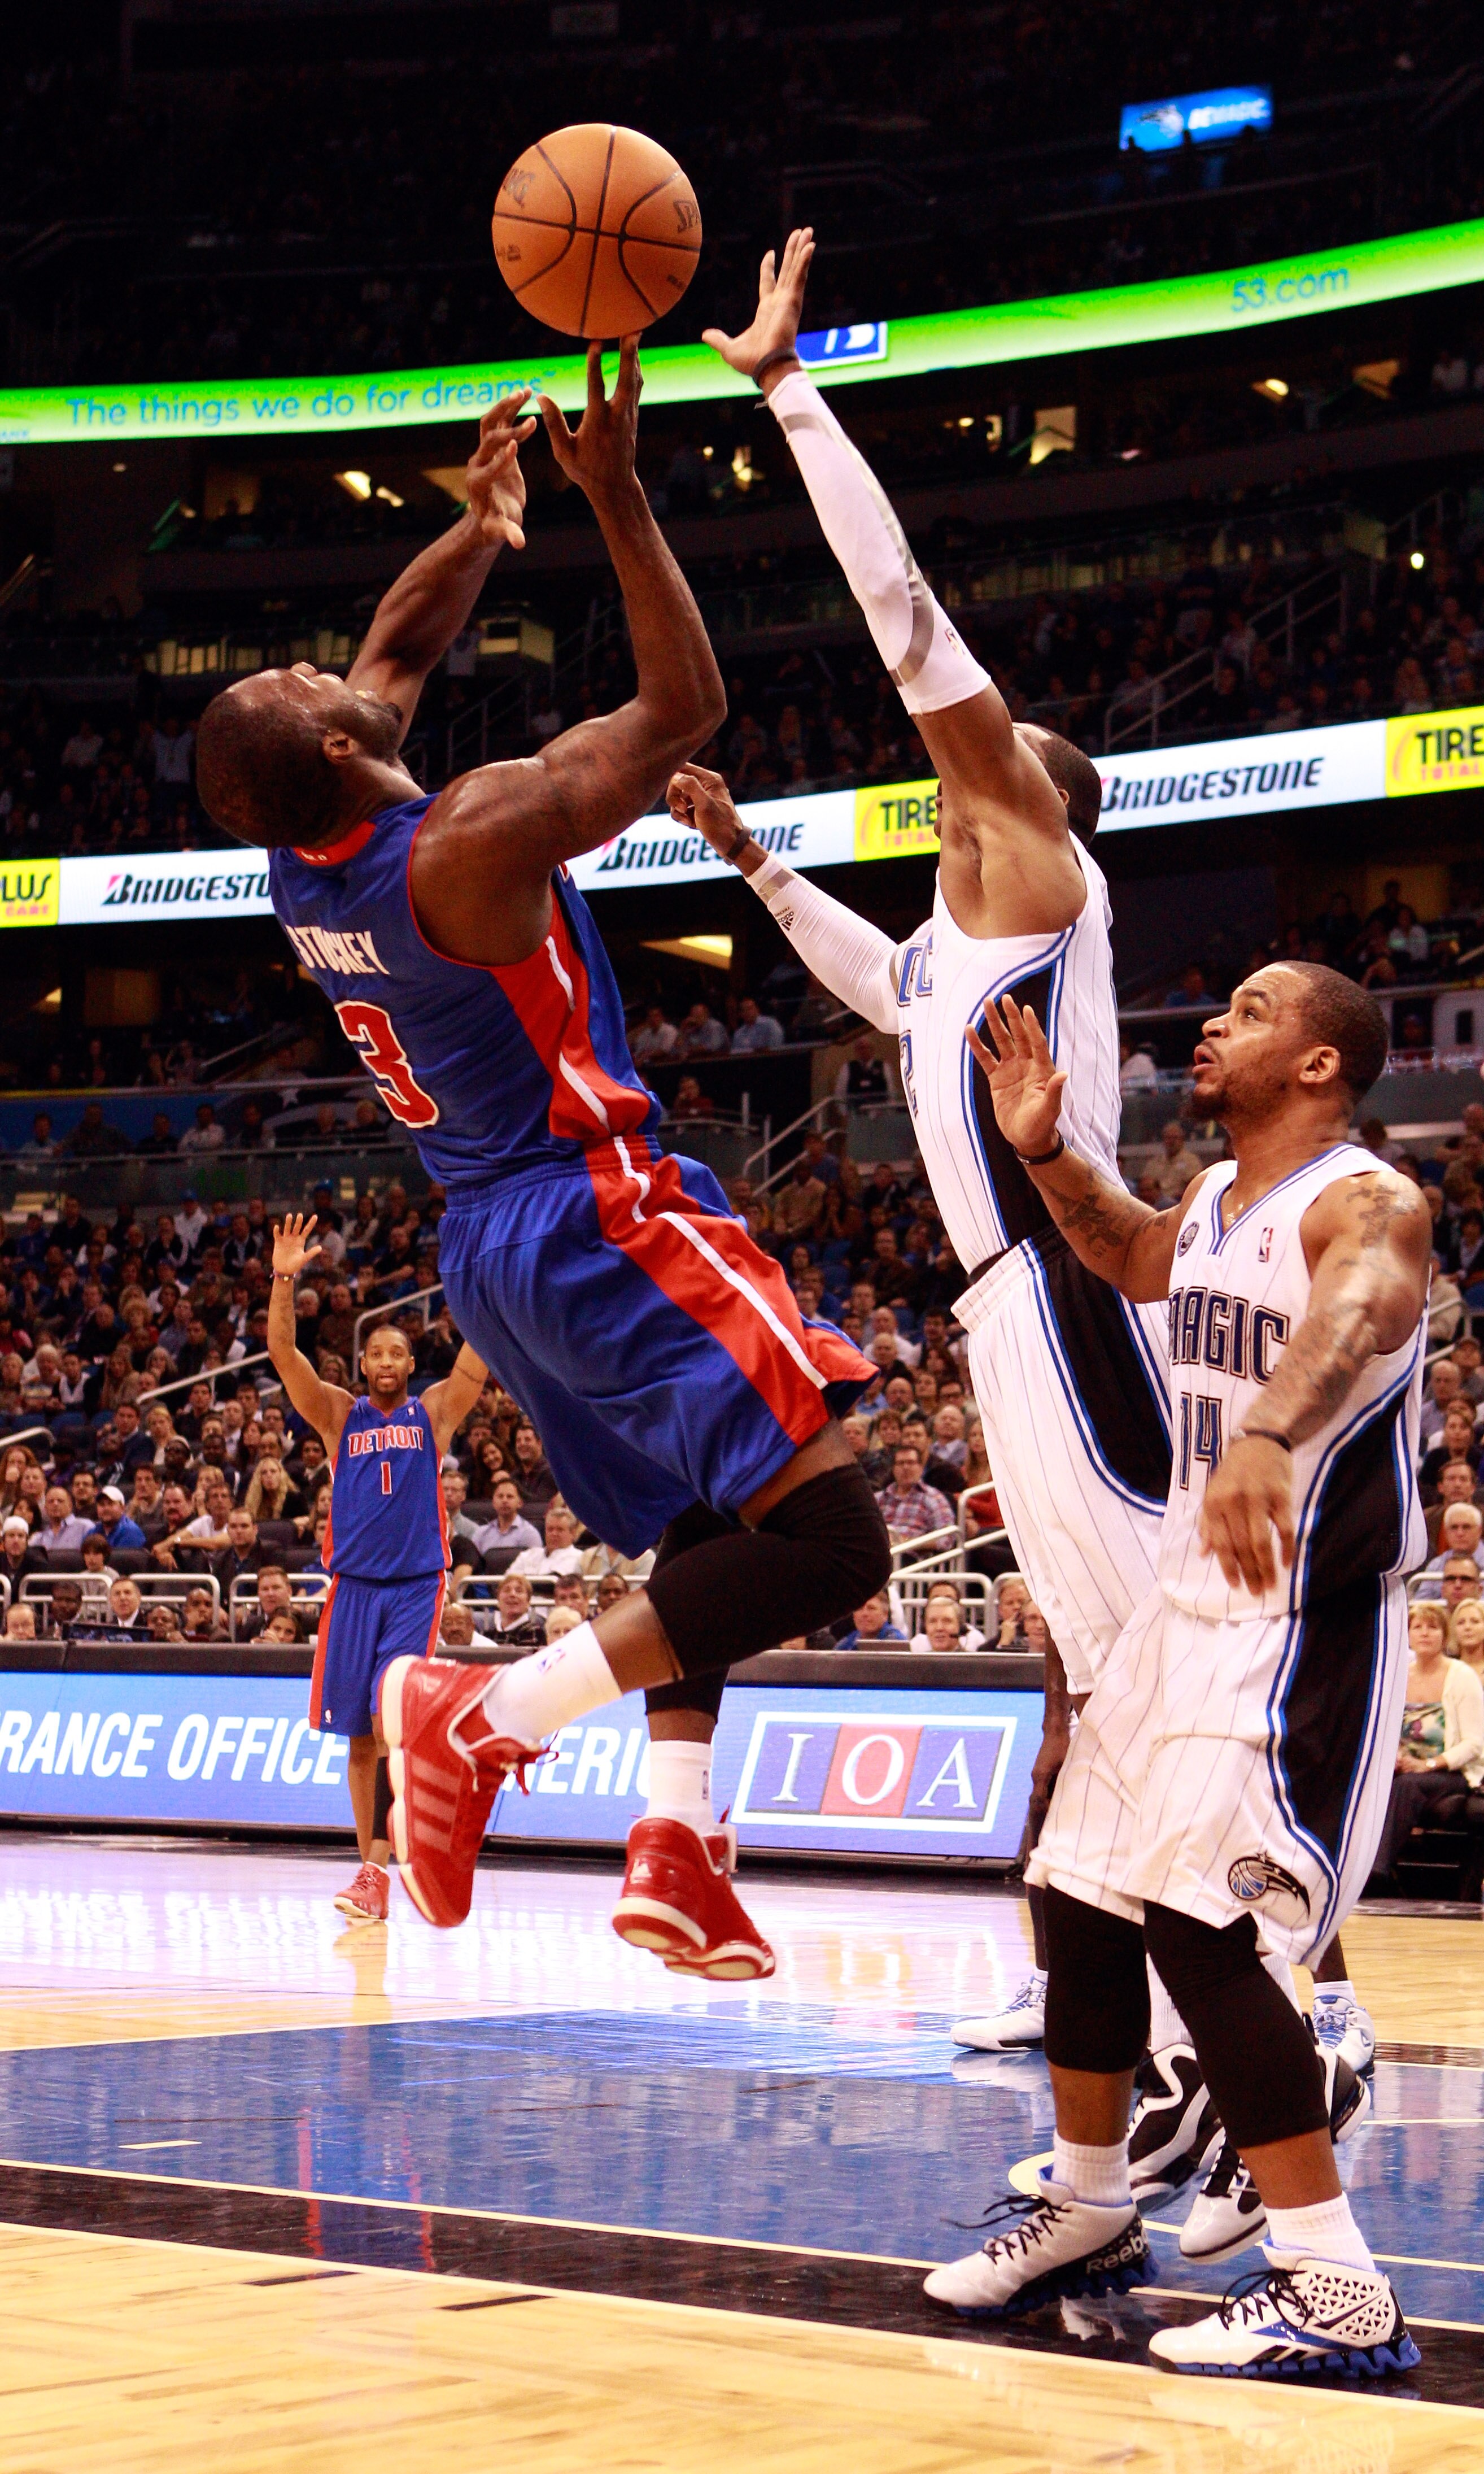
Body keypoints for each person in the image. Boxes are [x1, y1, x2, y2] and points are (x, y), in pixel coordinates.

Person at [197, 342, 886, 1968]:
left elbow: (395, 643)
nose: (338, 663)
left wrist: (493, 523)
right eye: (312, 687)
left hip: (493, 1253)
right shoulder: (468, 833)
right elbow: (685, 710)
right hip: (596, 1202)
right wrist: (621, 500)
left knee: (717, 1534)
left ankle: (671, 1838)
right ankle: (485, 1718)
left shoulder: (316, 865)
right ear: (342, 752)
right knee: (834, 1537)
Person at [688, 227, 1173, 2067]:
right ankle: (1098, 2017)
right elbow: (868, 978)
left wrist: (786, 391)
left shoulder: (1037, 866)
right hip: (1004, 1312)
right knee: (1087, 1672)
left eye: (992, 760)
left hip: (1064, 1288)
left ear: (1029, 799)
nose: (961, 779)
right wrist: (745, 861)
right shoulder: (951, 945)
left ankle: (1249, 2031)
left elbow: (901, 616)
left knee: (1136, 1675)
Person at [929, 961, 1429, 2376]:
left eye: (1255, 1008)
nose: (1214, 1020)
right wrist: (1040, 1150)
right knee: (1078, 1904)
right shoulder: (1215, 1195)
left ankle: (1334, 2283)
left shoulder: (1367, 1200)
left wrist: (1270, 1431)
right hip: (1177, 1606)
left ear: (1323, 1065)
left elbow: (1359, 1309)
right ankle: (1090, 2205)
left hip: (1296, 1622)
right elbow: (1130, 1251)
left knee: (1205, 1931)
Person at [266, 1212, 488, 1926]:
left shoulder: (433, 1414)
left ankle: (380, 1863)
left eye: (399, 1353)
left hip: (416, 1590)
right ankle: (371, 1868)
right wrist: (282, 1278)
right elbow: (282, 1355)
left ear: (409, 1364)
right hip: (352, 1590)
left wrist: (481, 1280)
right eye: (378, 1354)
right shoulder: (339, 1416)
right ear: (364, 1365)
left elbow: (476, 1362)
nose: (389, 1363)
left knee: (394, 1728)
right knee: (360, 1737)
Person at [1368, 1600, 1484, 1883]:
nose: (1424, 1633)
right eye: (1417, 1627)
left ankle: (1374, 1874)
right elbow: (1387, 1731)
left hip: (1454, 1773)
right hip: (1409, 1769)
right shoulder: (1399, 1677)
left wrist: (1427, 1764)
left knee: (1406, 1786)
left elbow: (1475, 1743)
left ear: (1445, 1636)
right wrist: (1395, 1756)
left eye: (1432, 1627)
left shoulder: (1462, 1676)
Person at [835, 1588, 906, 1651]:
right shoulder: (846, 1643)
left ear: (885, 1615)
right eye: (860, 1609)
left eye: (871, 1608)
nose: (864, 1614)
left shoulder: (896, 1643)